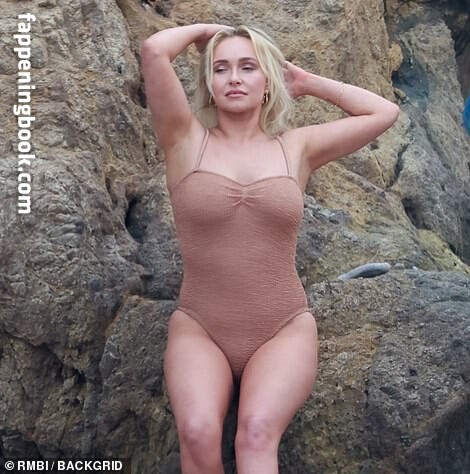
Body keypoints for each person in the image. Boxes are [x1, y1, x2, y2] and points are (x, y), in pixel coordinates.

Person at [141, 23, 399, 474]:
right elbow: (153, 50)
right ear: (208, 81)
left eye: (248, 67)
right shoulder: (183, 139)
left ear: (268, 80)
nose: (233, 78)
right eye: (220, 68)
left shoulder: (296, 148)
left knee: (257, 434)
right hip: (201, 327)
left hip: (282, 328)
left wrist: (307, 82)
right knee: (197, 432)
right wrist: (210, 29)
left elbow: (383, 112)